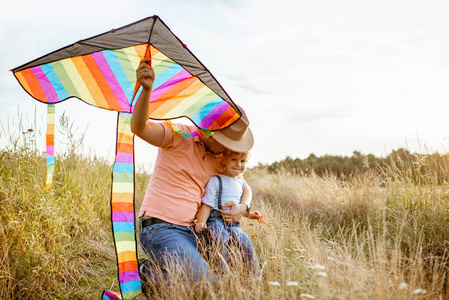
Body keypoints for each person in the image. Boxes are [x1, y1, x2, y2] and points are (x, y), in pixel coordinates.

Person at [131, 58, 254, 283]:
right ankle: (144, 273)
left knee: (230, 273)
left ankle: (165, 273)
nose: (231, 150)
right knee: (206, 285)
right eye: (228, 143)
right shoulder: (178, 136)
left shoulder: (222, 160)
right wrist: (146, 90)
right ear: (210, 132)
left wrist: (243, 207)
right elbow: (140, 127)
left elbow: (244, 186)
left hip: (197, 231)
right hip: (161, 227)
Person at [194, 151, 260, 274]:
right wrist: (201, 221)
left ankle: (254, 273)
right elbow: (207, 205)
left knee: (245, 241)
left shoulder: (240, 183)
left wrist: (251, 215)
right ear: (223, 160)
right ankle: (222, 271)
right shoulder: (216, 180)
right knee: (221, 238)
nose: (238, 164)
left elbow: (238, 209)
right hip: (216, 219)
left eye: (242, 161)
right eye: (233, 160)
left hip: (233, 223)